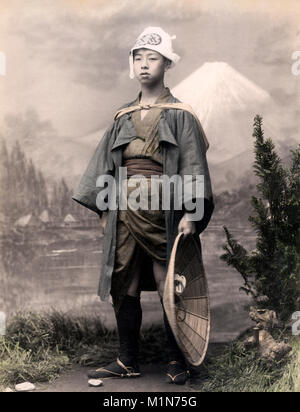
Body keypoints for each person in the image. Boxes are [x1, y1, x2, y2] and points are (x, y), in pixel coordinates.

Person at [72, 27, 214, 385]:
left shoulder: (181, 114)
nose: (144, 65)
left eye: (152, 58)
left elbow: (193, 164)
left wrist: (191, 215)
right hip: (123, 208)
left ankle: (176, 359)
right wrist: (105, 208)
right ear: (132, 65)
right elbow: (105, 164)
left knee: (168, 282)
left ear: (166, 64)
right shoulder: (122, 115)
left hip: (164, 209)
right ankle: (127, 360)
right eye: (138, 58)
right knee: (124, 280)